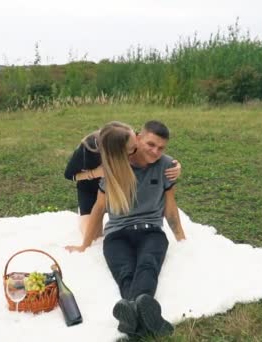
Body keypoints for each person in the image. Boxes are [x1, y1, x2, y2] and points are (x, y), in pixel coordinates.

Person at [65, 121, 186, 337]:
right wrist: (85, 244)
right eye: (151, 144)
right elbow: (99, 208)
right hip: (116, 235)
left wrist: (182, 240)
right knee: (124, 272)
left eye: (161, 148)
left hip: (151, 231)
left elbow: (170, 207)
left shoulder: (166, 165)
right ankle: (145, 315)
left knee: (148, 265)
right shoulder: (115, 167)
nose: (156, 152)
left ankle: (131, 315)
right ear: (138, 139)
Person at [64, 125, 182, 235]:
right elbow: (69, 175)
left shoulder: (129, 137)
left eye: (136, 145)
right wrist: (95, 173)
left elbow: (152, 148)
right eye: (132, 149)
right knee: (94, 236)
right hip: (92, 188)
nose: (135, 151)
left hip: (117, 188)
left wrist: (173, 165)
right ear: (117, 148)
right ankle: (85, 214)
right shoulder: (90, 148)